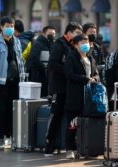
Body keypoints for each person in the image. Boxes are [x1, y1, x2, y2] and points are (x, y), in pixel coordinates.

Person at [44, 22, 83, 157]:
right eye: (77, 33)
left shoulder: (75, 46)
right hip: (60, 87)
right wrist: (67, 71)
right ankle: (49, 145)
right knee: (57, 115)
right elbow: (52, 64)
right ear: (69, 33)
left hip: (71, 88)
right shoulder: (60, 44)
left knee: (71, 117)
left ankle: (69, 146)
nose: (80, 36)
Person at [0, 16, 25, 149]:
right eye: (7, 26)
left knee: (12, 110)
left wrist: (23, 78)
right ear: (2, 27)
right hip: (2, 83)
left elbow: (20, 61)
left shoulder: (17, 42)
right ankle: (0, 139)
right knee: (0, 110)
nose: (10, 29)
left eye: (12, 26)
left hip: (15, 81)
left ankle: (11, 137)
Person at [64, 34, 99, 158]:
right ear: (76, 44)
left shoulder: (90, 57)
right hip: (75, 95)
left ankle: (86, 148)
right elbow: (69, 75)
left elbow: (96, 73)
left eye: (87, 41)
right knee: (72, 124)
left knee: (86, 124)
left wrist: (95, 78)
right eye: (82, 42)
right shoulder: (71, 57)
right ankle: (70, 149)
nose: (85, 44)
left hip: (89, 97)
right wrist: (86, 79)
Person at [28, 25, 56, 97]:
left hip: (47, 77)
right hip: (39, 76)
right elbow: (34, 59)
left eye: (53, 34)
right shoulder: (38, 43)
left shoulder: (51, 44)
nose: (52, 35)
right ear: (44, 33)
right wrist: (44, 68)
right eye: (50, 33)